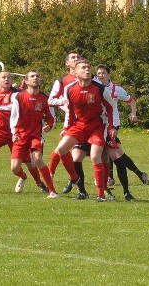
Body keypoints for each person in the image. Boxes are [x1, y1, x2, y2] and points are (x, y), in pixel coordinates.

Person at [52, 58, 116, 201]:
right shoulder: (70, 89)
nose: (87, 70)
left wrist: (111, 126)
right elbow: (69, 111)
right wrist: (67, 128)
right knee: (61, 149)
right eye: (83, 68)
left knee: (95, 156)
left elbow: (111, 108)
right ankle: (77, 182)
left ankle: (101, 194)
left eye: (88, 67)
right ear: (75, 72)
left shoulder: (99, 88)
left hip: (97, 126)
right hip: (79, 125)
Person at [0, 71, 47, 193]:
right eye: (4, 77)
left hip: (16, 133)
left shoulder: (17, 94)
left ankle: (39, 183)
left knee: (28, 161)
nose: (6, 79)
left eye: (9, 78)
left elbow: (11, 107)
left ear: (12, 81)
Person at [95, 64, 149, 201]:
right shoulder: (93, 86)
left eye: (103, 73)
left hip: (112, 126)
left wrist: (133, 114)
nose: (100, 75)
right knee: (118, 154)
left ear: (108, 75)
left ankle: (110, 183)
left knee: (112, 154)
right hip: (97, 126)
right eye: (98, 73)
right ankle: (138, 175)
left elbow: (131, 101)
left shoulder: (115, 89)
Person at [9, 70, 58, 198]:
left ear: (40, 80)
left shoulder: (45, 98)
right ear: (26, 81)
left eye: (37, 76)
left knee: (38, 159)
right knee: (14, 168)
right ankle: (23, 176)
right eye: (32, 76)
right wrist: (14, 132)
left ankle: (52, 191)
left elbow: (51, 117)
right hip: (20, 135)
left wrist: (50, 125)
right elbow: (13, 117)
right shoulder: (18, 97)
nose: (35, 78)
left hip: (36, 135)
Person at [47, 50, 83, 193]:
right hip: (72, 122)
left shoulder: (88, 77)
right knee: (61, 150)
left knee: (101, 152)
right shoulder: (62, 80)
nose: (76, 59)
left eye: (78, 57)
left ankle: (104, 185)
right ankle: (52, 175)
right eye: (73, 58)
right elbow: (51, 100)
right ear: (67, 63)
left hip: (89, 121)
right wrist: (64, 104)